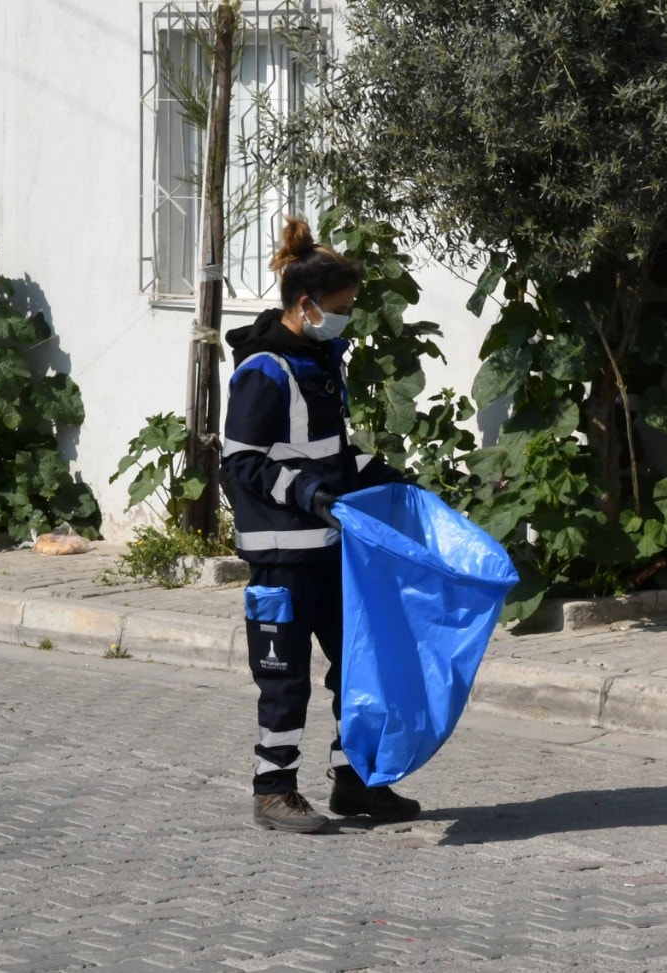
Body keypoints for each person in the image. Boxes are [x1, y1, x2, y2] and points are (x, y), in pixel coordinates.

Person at [222, 217, 420, 833]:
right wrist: (310, 496)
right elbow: (242, 465)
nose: (346, 319)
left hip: (333, 551)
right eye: (339, 309)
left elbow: (330, 456)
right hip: (282, 555)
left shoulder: (320, 361)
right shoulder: (264, 371)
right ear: (305, 305)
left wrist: (390, 478)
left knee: (360, 670)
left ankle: (355, 785)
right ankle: (272, 791)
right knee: (284, 684)